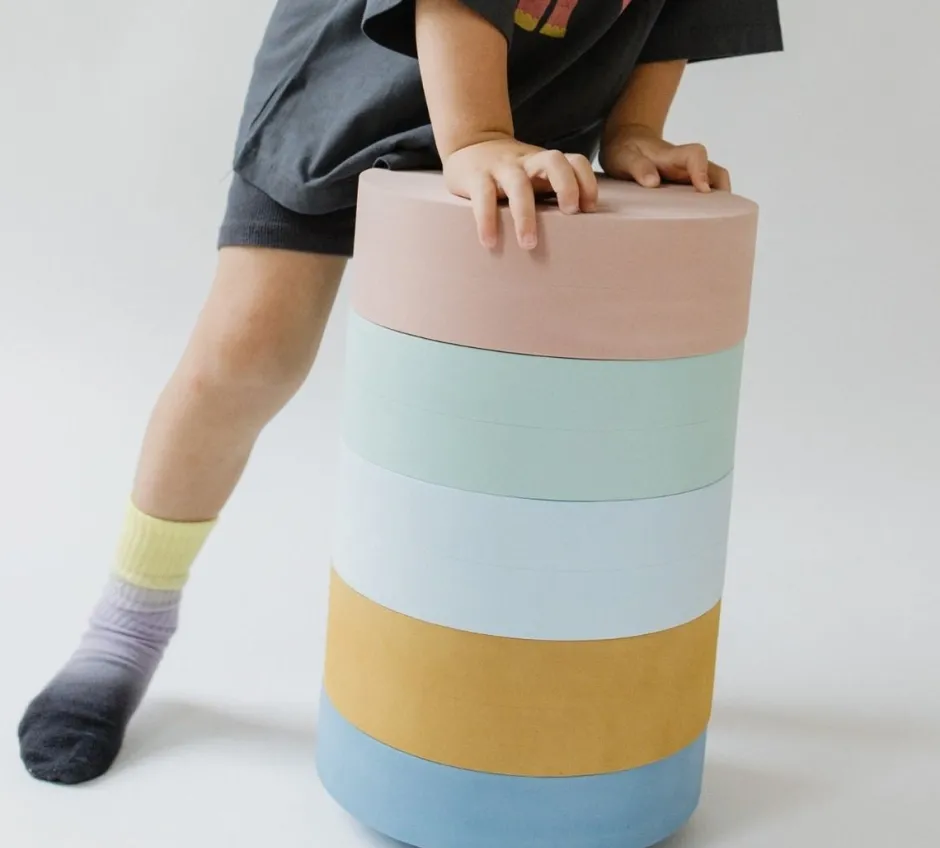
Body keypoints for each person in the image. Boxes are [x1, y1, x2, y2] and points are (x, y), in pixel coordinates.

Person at [18, 0, 783, 785]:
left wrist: (634, 128)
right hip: (352, 76)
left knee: (500, 373)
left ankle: (488, 644)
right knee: (249, 350)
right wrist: (474, 134)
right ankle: (127, 625)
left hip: (536, 97)